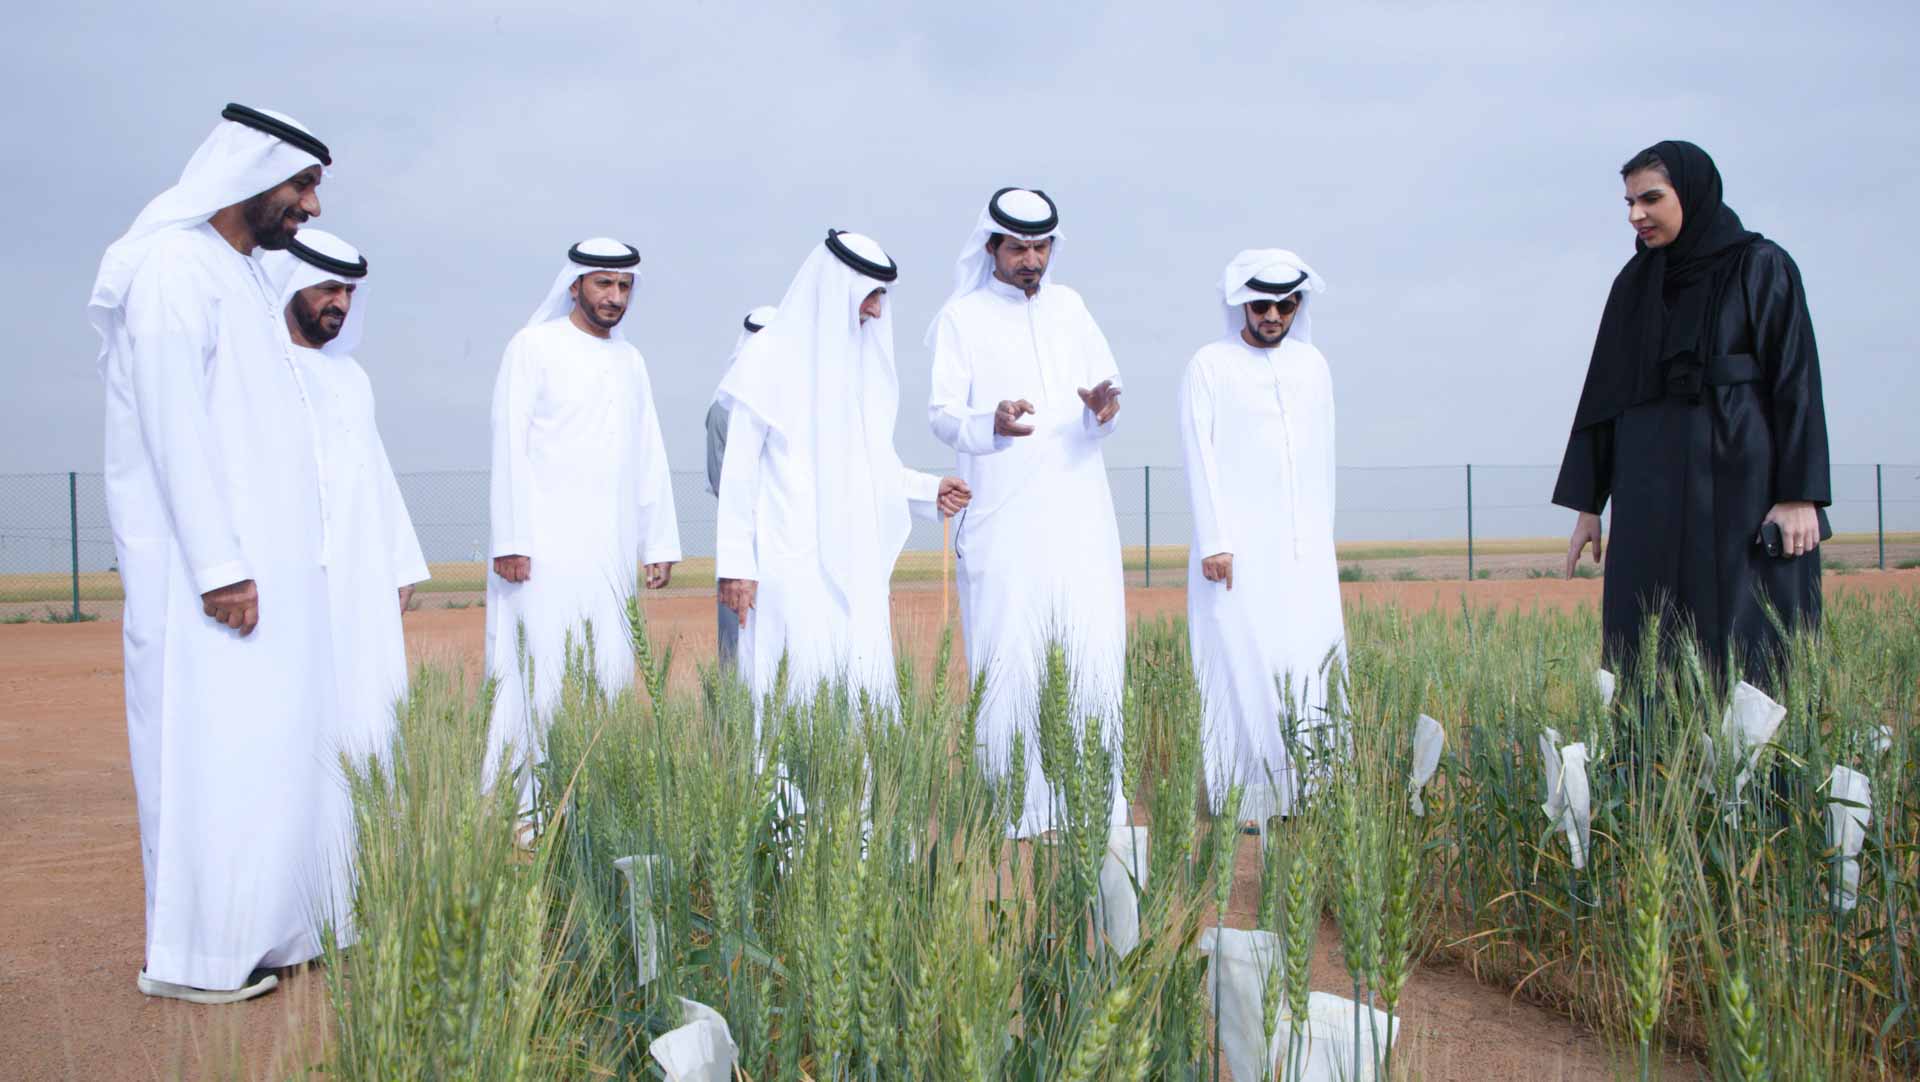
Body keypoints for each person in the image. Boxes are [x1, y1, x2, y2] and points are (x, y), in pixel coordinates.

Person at [88, 102, 335, 1003]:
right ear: (249, 175)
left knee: (263, 751)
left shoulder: (243, 278)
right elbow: (175, 427)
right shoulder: (171, 269)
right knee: (206, 751)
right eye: (302, 184)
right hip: (208, 584)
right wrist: (219, 567)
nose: (310, 207)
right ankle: (197, 957)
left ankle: (263, 933)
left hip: (264, 577)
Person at [1554, 141, 1830, 683]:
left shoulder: (1760, 265)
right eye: (1629, 202)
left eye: (1651, 198)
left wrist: (1800, 496)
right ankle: (1649, 765)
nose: (1637, 215)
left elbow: (1796, 380)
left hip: (1737, 480)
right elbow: (1604, 393)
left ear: (1693, 193)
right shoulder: (1633, 286)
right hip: (1647, 487)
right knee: (1647, 636)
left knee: (1744, 631)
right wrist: (1589, 503)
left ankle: (1756, 763)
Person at [925, 187, 1127, 837]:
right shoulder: (963, 319)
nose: (1031, 260)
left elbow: (1105, 400)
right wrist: (993, 423)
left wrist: (1101, 408)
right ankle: (1019, 806)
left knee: (1089, 647)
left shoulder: (1072, 308)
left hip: (1080, 512)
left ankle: (1091, 799)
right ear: (992, 246)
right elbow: (941, 415)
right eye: (1018, 248)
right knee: (1010, 650)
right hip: (1005, 517)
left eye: (1041, 247)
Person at [715, 230, 968, 713]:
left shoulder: (858, 368)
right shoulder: (767, 357)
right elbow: (739, 472)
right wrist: (735, 567)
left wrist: (928, 489)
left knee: (859, 692)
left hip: (855, 562)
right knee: (793, 692)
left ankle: (861, 792)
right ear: (837, 289)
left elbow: (871, 464)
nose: (876, 310)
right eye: (870, 295)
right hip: (789, 562)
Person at [485, 238, 681, 801]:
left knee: (610, 669)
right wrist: (511, 539)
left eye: (624, 287)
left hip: (611, 552)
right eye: (603, 284)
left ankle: (592, 801)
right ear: (575, 286)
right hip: (542, 554)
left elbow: (649, 450)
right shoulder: (533, 347)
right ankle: (524, 809)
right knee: (540, 672)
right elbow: (509, 444)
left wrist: (658, 541)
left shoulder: (631, 360)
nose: (615, 297)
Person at [1179, 250, 1346, 826]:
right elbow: (1198, 454)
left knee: (1308, 661)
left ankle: (1313, 791)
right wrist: (1214, 540)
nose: (1274, 315)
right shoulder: (1208, 364)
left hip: (1304, 550)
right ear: (1241, 305)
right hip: (1236, 551)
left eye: (1286, 304)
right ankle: (1248, 800)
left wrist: (1319, 539)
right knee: (1241, 660)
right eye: (1262, 304)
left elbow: (1323, 457)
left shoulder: (1313, 364)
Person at [262, 228, 428, 766]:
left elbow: (373, 472)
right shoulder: (257, 367)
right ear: (291, 284)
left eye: (349, 292)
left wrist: (400, 565)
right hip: (284, 573)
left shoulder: (352, 377)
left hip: (360, 573)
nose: (340, 303)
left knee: (365, 703)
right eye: (328, 289)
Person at [706, 304, 777, 672]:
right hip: (742, 540)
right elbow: (725, 482)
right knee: (736, 645)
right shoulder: (723, 410)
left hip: (785, 539)